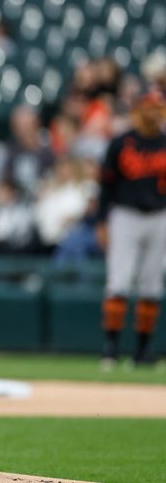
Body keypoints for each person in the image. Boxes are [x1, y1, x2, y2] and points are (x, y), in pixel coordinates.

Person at [97, 89, 166, 368]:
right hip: (124, 215)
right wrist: (102, 221)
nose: (152, 112)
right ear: (137, 110)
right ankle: (111, 349)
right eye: (147, 107)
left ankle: (142, 351)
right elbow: (105, 184)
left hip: (159, 215)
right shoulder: (121, 142)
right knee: (119, 282)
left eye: (157, 107)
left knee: (151, 285)